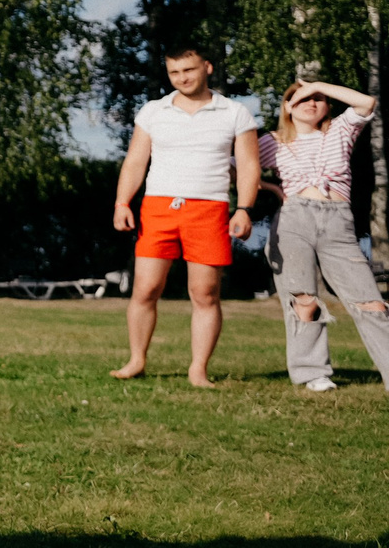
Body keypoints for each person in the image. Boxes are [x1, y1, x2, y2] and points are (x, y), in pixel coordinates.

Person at [110, 47, 259, 387]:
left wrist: (245, 209)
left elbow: (249, 165)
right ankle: (136, 360)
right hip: (158, 206)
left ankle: (198, 370)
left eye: (189, 70)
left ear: (207, 67)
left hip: (209, 208)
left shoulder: (235, 112)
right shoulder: (153, 111)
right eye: (175, 73)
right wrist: (122, 203)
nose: (183, 78)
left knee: (204, 293)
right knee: (145, 288)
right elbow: (135, 161)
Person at [258, 79, 389, 393]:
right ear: (287, 107)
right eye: (301, 99)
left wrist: (317, 84)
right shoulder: (272, 141)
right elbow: (233, 166)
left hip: (338, 221)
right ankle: (311, 373)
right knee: (303, 298)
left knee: (371, 301)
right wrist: (272, 188)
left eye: (317, 98)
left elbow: (366, 104)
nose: (311, 102)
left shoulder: (339, 131)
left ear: (327, 104)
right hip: (294, 218)